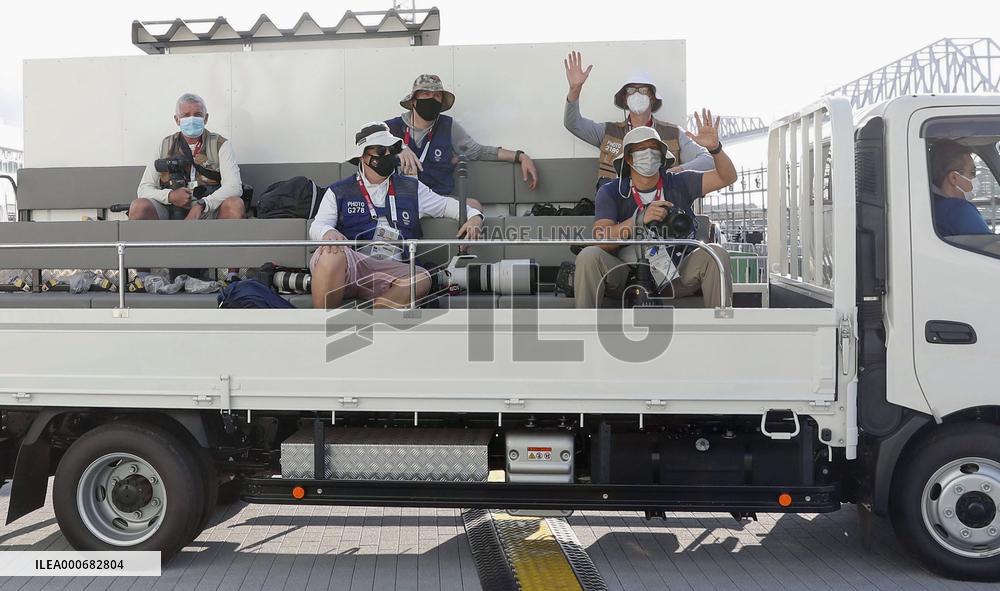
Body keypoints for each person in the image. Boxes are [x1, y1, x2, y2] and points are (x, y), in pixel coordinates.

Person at [309, 122, 484, 309]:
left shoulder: (412, 187)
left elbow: (448, 206)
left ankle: (370, 322)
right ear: (362, 156)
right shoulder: (338, 191)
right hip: (353, 266)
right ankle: (322, 326)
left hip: (392, 269)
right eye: (381, 151)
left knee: (421, 279)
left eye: (391, 150)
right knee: (330, 252)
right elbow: (317, 226)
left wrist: (475, 217)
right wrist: (327, 232)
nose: (388, 156)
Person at [574, 111, 737, 308]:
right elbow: (602, 238)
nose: (648, 153)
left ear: (662, 156)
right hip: (626, 278)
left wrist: (715, 149)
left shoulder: (679, 182)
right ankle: (585, 328)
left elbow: (727, 178)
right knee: (588, 256)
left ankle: (721, 329)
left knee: (716, 253)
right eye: (640, 149)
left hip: (674, 276)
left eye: (653, 148)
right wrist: (639, 219)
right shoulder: (611, 191)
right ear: (628, 159)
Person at [385, 74, 539, 212]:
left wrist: (520, 157)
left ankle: (461, 245)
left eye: (437, 95)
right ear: (413, 100)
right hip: (402, 198)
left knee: (474, 207)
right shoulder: (391, 127)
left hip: (438, 199)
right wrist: (399, 147)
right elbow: (364, 139)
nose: (432, 98)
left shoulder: (448, 126)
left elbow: (478, 151)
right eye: (426, 94)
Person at [562, 51, 715, 184]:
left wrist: (676, 172)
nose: (637, 94)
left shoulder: (673, 133)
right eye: (631, 90)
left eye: (643, 90)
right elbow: (573, 123)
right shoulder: (607, 132)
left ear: (653, 97)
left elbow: (709, 160)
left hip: (660, 206)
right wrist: (575, 89)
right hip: (618, 208)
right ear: (624, 98)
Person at [132, 93, 245, 221]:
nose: (192, 119)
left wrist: (202, 204)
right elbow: (144, 189)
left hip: (209, 210)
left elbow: (234, 187)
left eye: (197, 115)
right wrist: (170, 196)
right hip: (170, 209)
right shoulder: (165, 145)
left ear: (206, 118)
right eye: (186, 115)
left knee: (235, 205)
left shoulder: (220, 145)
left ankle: (220, 241)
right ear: (177, 119)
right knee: (139, 206)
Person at [928, 139, 991, 237]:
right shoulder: (958, 210)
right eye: (972, 173)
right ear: (954, 178)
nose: (975, 178)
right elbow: (992, 247)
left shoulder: (931, 206)